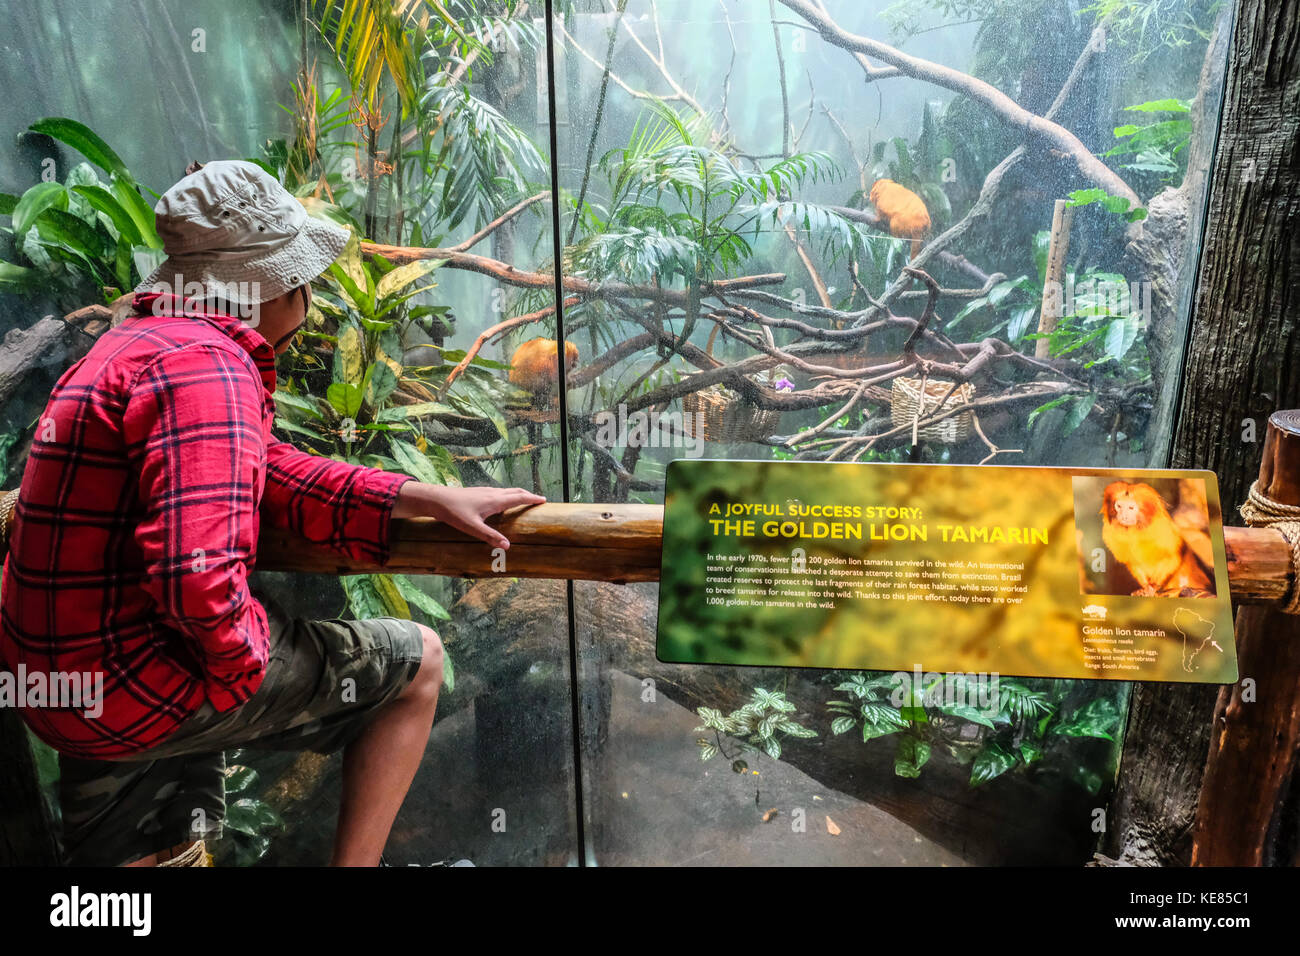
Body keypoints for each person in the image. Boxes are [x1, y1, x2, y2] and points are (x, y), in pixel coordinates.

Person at [0, 160, 545, 866]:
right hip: (133, 686)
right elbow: (194, 579)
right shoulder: (210, 366)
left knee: (158, 854)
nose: (311, 302)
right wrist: (238, 670)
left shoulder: (133, 345)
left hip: (54, 684)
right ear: (269, 291)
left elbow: (261, 465)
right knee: (419, 667)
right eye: (304, 284)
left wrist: (420, 495)